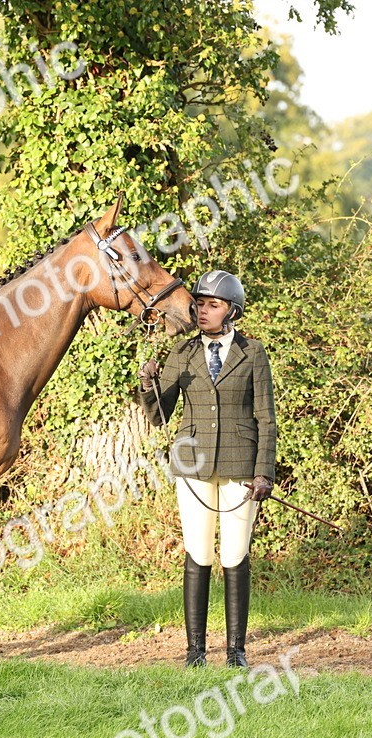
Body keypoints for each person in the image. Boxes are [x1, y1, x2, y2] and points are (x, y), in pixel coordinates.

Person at [136, 270, 277, 668]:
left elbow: (266, 418)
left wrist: (264, 471)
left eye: (212, 305)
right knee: (197, 553)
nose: (202, 311)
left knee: (234, 555)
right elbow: (160, 416)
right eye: (199, 303)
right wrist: (148, 387)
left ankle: (237, 651)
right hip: (192, 466)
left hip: (241, 466)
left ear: (231, 310)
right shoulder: (182, 353)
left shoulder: (254, 353)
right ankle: (195, 652)